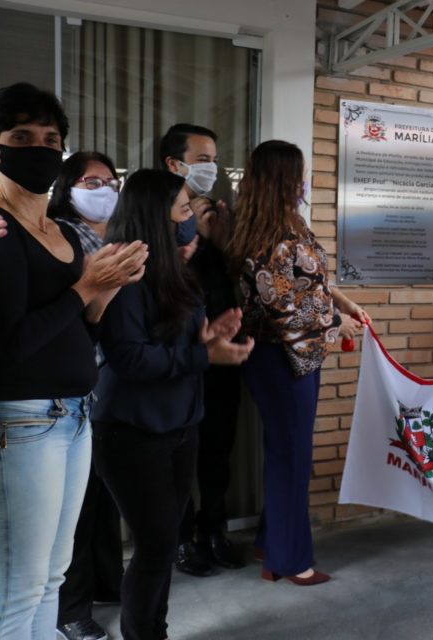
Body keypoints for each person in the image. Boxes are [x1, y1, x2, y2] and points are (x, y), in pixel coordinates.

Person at [0, 82, 147, 639]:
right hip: (23, 421)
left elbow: (75, 327)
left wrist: (106, 290)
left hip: (75, 414)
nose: (37, 148)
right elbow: (10, 345)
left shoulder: (61, 230)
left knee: (51, 578)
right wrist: (86, 288)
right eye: (20, 136)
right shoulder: (1, 229)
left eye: (50, 138)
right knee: (18, 585)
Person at [92, 169, 253, 640]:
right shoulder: (122, 272)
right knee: (157, 544)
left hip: (181, 423)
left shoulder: (178, 270)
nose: (190, 218)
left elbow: (174, 342)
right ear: (153, 217)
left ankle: (153, 629)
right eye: (183, 209)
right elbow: (128, 358)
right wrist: (202, 353)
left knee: (162, 544)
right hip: (131, 431)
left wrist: (206, 336)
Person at [228, 140, 368, 585]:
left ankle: (272, 542)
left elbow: (314, 281)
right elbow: (281, 305)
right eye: (300, 174)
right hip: (279, 356)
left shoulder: (289, 223)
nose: (305, 182)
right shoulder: (268, 236)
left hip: (298, 355)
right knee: (291, 455)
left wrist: (344, 302)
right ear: (285, 179)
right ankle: (289, 562)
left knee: (286, 452)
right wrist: (336, 326)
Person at [159, 123, 245, 576]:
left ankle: (215, 529)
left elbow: (231, 281)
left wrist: (221, 242)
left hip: (221, 352)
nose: (211, 167)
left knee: (218, 449)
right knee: (179, 458)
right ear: (174, 164)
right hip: (178, 358)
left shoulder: (216, 215)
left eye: (214, 158)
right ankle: (180, 540)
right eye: (202, 159)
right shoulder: (160, 218)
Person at [48, 151, 125, 640]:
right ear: (68, 186)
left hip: (110, 386)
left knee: (101, 496)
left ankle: (106, 581)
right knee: (73, 510)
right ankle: (70, 610)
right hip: (70, 386)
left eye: (110, 181)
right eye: (90, 181)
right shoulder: (58, 235)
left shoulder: (114, 235)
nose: (102, 189)